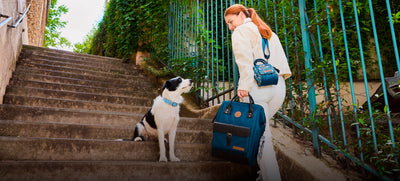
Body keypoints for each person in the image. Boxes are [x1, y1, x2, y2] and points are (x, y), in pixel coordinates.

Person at [224, 4, 292, 181]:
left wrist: (243, 86)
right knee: (261, 133)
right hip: (278, 86)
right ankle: (264, 175)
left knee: (263, 138)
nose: (230, 27)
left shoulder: (240, 32)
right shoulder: (266, 31)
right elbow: (283, 64)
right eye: (228, 24)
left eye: (231, 21)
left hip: (258, 88)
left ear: (240, 15)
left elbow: (244, 62)